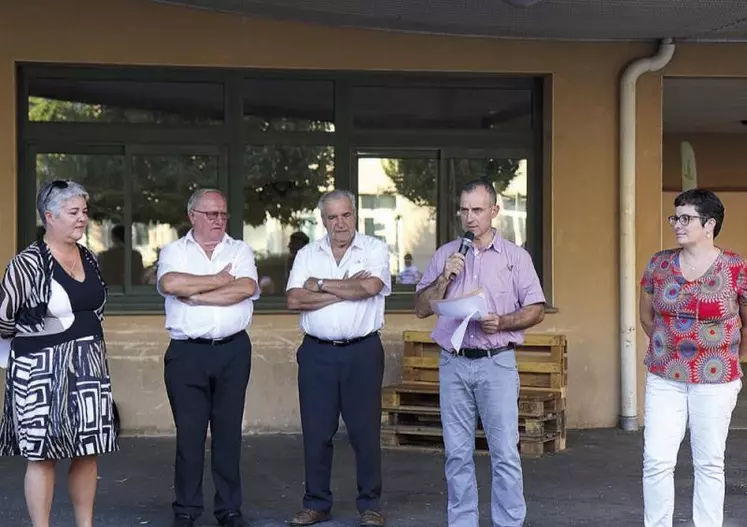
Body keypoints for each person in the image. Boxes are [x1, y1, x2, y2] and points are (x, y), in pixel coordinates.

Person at [414, 179, 546, 527]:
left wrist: (502, 321)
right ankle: (462, 522)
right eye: (464, 210)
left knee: (504, 452)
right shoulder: (447, 254)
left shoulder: (516, 257)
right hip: (454, 364)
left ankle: (509, 522)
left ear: (494, 211)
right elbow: (420, 308)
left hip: (496, 362)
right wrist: (444, 278)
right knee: (457, 454)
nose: (470, 218)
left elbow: (536, 309)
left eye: (477, 210)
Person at [0, 179, 118, 527]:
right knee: (42, 456)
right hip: (39, 371)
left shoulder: (90, 258)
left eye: (84, 211)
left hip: (89, 370)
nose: (82, 218)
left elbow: (96, 309)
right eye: (73, 212)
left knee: (87, 452)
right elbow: (4, 320)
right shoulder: (26, 264)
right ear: (50, 216)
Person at [639, 189, 746, 527]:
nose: (677, 225)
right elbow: (647, 317)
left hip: (716, 380)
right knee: (656, 460)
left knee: (710, 463)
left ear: (710, 224)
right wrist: (670, 349)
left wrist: (734, 356)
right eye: (676, 217)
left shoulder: (735, 266)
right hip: (664, 376)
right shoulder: (659, 263)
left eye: (686, 218)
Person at [285, 189, 391, 527]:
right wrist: (342, 288)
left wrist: (318, 286)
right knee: (317, 432)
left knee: (364, 432)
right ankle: (316, 503)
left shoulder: (374, 249)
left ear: (355, 215)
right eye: (333, 217)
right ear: (323, 220)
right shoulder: (307, 253)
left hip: (362, 351)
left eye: (346, 215)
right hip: (317, 353)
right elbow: (293, 300)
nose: (340, 223)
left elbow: (370, 288)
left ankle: (370, 505)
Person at [157, 189, 259, 527]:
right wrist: (217, 281)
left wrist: (198, 295)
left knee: (228, 434)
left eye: (223, 214)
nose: (219, 220)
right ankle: (186, 510)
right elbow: (171, 283)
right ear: (193, 216)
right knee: (190, 435)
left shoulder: (240, 250)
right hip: (187, 354)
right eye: (212, 214)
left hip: (233, 351)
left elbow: (244, 288)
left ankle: (229, 509)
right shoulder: (174, 251)